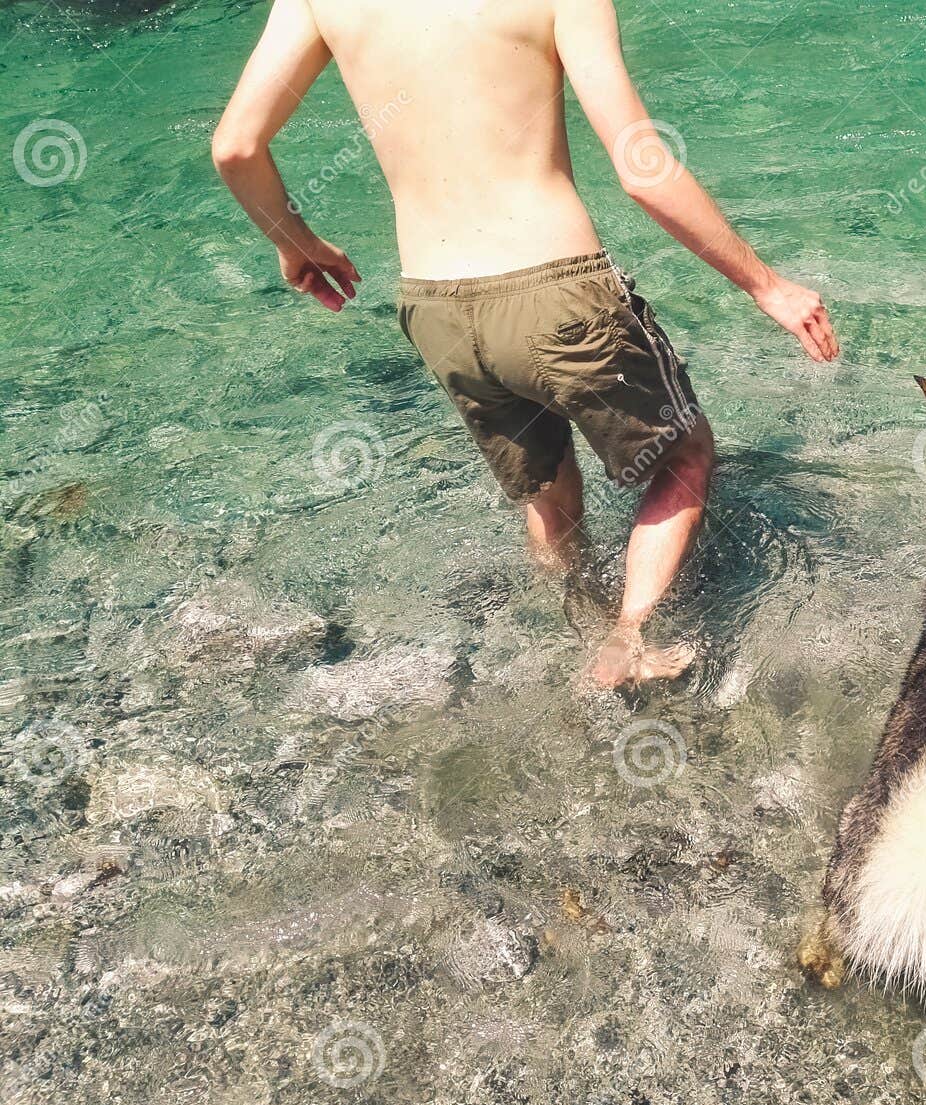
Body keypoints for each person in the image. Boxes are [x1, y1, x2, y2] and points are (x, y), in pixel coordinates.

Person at [212, 0, 839, 686]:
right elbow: (640, 166)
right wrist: (766, 284)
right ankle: (628, 638)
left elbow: (236, 147)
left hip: (434, 306)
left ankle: (580, 638)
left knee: (546, 490)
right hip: (557, 289)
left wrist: (295, 243)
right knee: (683, 453)